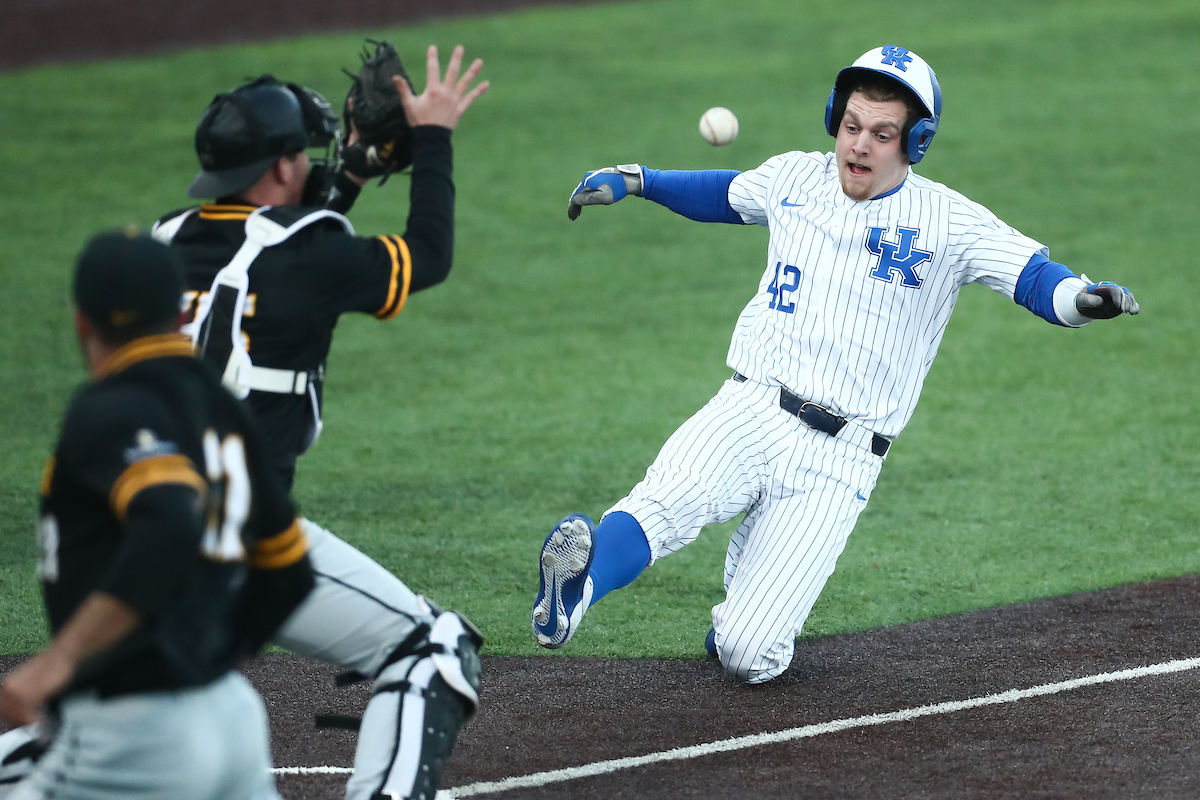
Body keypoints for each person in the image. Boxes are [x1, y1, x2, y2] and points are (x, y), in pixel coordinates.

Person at [533, 45, 1141, 685]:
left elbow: (1031, 276)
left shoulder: (947, 220)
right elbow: (724, 192)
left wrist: (1082, 299)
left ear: (915, 142)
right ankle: (575, 593)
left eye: (882, 134)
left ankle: (744, 615)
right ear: (834, 119)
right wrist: (637, 181)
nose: (859, 145)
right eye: (851, 126)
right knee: (667, 500)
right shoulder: (797, 178)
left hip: (841, 458)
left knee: (749, 655)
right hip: (752, 405)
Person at [150, 44, 488, 800]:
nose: (309, 164)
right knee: (433, 649)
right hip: (234, 530)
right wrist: (432, 137)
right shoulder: (310, 254)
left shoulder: (162, 242)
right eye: (303, 154)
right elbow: (424, 256)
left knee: (128, 717)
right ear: (278, 169)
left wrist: (356, 172)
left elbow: (277, 246)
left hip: (122, 526)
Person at [0, 230, 315, 800]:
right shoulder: (225, 409)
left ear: (82, 321)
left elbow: (169, 520)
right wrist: (202, 656)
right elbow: (291, 571)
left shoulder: (110, 406)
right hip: (232, 716)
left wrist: (55, 664)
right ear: (179, 312)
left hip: (132, 733)